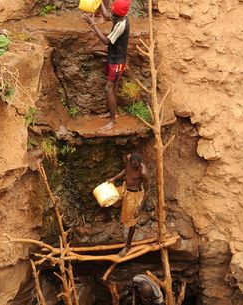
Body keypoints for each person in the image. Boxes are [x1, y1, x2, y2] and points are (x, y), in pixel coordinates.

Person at [83, 0, 131, 131]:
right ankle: (113, 112)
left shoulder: (121, 24)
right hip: (113, 58)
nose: (111, 13)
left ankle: (113, 121)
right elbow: (106, 16)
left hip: (118, 62)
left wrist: (92, 24)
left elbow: (105, 41)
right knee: (113, 87)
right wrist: (100, 2)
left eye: (113, 10)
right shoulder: (119, 16)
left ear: (118, 13)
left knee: (108, 88)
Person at [108, 153, 150, 257]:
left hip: (134, 195)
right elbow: (125, 170)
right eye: (131, 165)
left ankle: (128, 245)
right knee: (108, 197)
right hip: (124, 188)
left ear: (140, 165)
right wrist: (115, 178)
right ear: (130, 161)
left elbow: (148, 190)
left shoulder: (143, 172)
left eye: (135, 167)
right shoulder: (128, 158)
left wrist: (139, 208)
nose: (133, 167)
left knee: (132, 221)